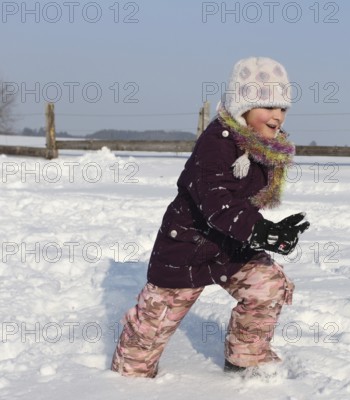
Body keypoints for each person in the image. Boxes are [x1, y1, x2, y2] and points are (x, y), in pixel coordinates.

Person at [111, 56, 309, 378]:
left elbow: (241, 204)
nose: (277, 115)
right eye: (267, 105)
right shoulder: (216, 145)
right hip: (187, 249)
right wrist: (259, 231)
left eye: (283, 107)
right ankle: (127, 378)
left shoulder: (261, 146)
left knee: (268, 286)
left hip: (230, 245)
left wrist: (269, 230)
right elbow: (217, 202)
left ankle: (247, 355)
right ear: (242, 106)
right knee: (151, 329)